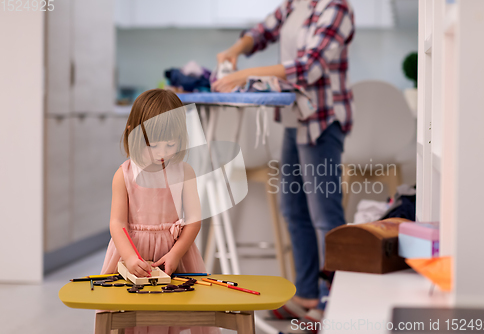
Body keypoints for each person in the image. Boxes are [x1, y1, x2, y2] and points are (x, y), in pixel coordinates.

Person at [214, 0, 355, 327]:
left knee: (325, 215)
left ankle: (331, 301)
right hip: (295, 120)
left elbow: (308, 68)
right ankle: (306, 295)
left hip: (322, 121)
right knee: (293, 209)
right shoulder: (295, 4)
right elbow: (263, 31)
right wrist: (235, 50)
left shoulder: (337, 8)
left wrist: (244, 74)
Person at [99, 89, 219, 334]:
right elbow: (117, 223)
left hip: (175, 254)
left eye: (170, 144)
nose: (162, 152)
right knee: (129, 316)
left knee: (177, 313)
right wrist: (131, 258)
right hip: (132, 254)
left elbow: (194, 221)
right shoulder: (123, 175)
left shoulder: (185, 172)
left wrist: (176, 254)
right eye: (152, 145)